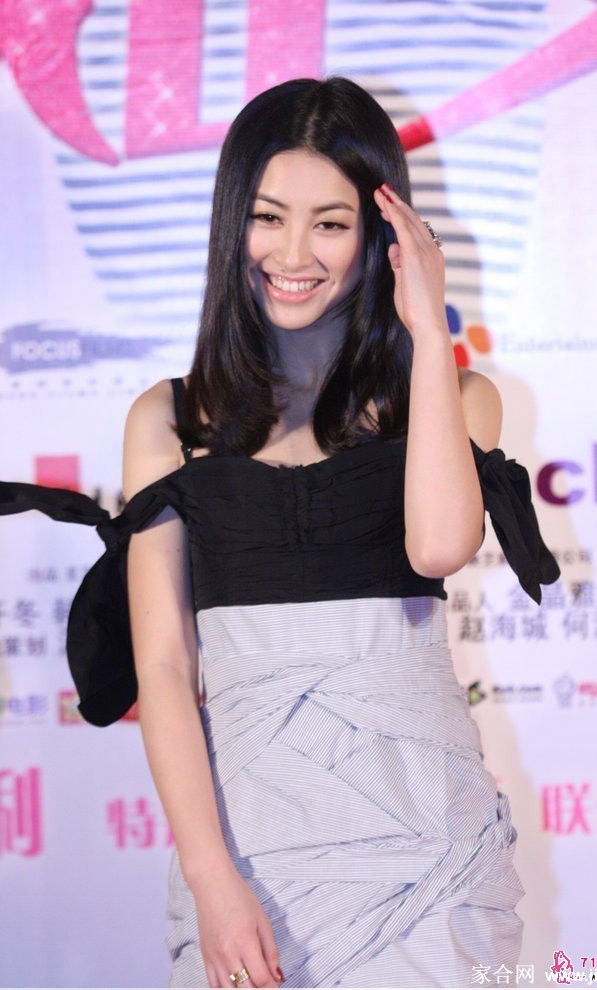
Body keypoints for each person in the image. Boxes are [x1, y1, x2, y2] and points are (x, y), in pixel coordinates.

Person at [0, 76, 560, 989]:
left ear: (380, 232)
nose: (293, 252)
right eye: (267, 217)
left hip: (426, 849)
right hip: (249, 856)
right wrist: (211, 877)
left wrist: (428, 331)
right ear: (234, 223)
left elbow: (437, 549)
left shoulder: (457, 397)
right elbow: (165, 669)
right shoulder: (170, 420)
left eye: (331, 223)